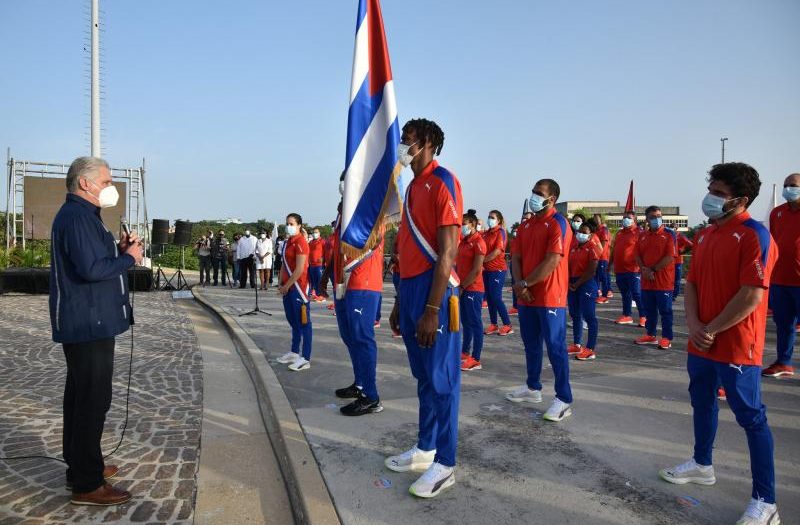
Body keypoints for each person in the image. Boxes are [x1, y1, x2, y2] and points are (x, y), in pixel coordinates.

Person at [659, 162, 780, 525]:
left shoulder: (755, 235)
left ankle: (766, 501)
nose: (710, 198)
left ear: (740, 200)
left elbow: (751, 295)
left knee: (751, 417)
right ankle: (701, 463)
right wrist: (695, 325)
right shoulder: (708, 234)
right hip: (701, 341)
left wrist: (711, 328)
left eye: (719, 193)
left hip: (736, 344)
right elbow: (692, 283)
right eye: (710, 189)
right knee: (702, 402)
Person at [49, 156, 143, 506]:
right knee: (92, 401)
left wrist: (118, 252)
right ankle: (87, 484)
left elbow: (93, 262)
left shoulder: (84, 216)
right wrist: (130, 257)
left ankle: (82, 466)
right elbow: (91, 269)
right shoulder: (76, 218)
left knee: (80, 399)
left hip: (90, 321)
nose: (110, 187)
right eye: (105, 181)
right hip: (89, 324)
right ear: (85, 184)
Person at [386, 118, 463, 498]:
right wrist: (402, 300)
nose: (403, 145)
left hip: (437, 292)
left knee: (443, 381)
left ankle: (445, 463)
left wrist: (432, 308)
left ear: (428, 143)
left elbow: (448, 251)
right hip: (412, 290)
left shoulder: (442, 180)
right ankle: (426, 448)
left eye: (408, 139)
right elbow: (407, 251)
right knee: (423, 377)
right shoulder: (412, 186)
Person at [508, 178, 574, 422]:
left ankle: (564, 398)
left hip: (550, 296)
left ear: (551, 199)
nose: (534, 196)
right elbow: (516, 257)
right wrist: (519, 284)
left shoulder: (559, 223)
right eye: (533, 192)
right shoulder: (526, 226)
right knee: (531, 344)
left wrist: (526, 283)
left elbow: (553, 259)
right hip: (526, 296)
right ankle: (533, 388)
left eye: (539, 193)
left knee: (555, 347)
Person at [324, 201, 385, 416]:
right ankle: (360, 384)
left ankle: (371, 397)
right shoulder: (343, 215)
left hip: (363, 283)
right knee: (349, 336)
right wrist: (324, 278)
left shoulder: (372, 211)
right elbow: (336, 250)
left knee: (362, 338)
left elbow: (373, 238)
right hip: (343, 283)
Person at [763, 172, 800, 378]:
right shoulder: (777, 212)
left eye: (793, 185)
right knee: (784, 325)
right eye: (786, 185)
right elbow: (774, 243)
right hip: (780, 279)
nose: (788, 189)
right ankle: (784, 362)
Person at [634, 206, 676, 349]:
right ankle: (650, 334)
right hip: (647, 281)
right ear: (646, 219)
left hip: (663, 281)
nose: (656, 219)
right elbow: (637, 255)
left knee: (665, 311)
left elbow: (670, 257)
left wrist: (652, 269)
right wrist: (644, 270)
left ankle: (666, 337)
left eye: (658, 215)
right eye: (653, 217)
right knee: (649, 310)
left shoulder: (669, 235)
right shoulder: (642, 236)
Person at [275, 214, 313, 371]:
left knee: (304, 323)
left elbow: (299, 269)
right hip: (287, 287)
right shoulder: (287, 242)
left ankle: (305, 358)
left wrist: (287, 285)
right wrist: (280, 282)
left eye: (291, 223)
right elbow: (284, 264)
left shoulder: (301, 242)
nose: (288, 226)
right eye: (287, 223)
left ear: (299, 226)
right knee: (293, 320)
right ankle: (294, 352)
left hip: (299, 288)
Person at [458, 210, 487, 371]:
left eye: (464, 224)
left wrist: (463, 287)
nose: (462, 227)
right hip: (462, 288)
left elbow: (476, 270)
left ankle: (476, 358)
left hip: (473, 289)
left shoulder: (479, 242)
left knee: (475, 323)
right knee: (466, 323)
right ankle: (465, 352)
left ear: (473, 224)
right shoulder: (463, 241)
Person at [568, 220, 600, 361]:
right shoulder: (574, 247)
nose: (580, 234)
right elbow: (568, 266)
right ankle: (577, 344)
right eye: (579, 231)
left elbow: (591, 270)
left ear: (591, 235)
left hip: (586, 284)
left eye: (584, 232)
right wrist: (570, 281)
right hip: (573, 284)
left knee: (589, 316)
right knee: (575, 315)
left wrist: (578, 283)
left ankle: (590, 348)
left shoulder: (592, 248)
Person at [611, 211, 646, 326]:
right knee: (625, 293)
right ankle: (627, 315)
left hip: (633, 269)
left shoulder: (639, 233)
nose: (626, 219)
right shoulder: (619, 233)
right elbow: (614, 249)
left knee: (636, 293)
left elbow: (644, 251)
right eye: (624, 217)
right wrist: (609, 263)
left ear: (634, 220)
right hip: (620, 269)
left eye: (629, 218)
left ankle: (643, 316)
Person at [482, 210, 514, 336]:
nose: (490, 219)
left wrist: (482, 260)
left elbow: (497, 251)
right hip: (487, 270)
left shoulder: (501, 232)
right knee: (489, 298)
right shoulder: (486, 233)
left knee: (496, 297)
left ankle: (507, 324)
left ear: (499, 220)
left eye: (492, 217)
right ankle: (494, 324)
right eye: (489, 217)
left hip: (497, 269)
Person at [593, 214, 613, 303]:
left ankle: (605, 296)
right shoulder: (596, 230)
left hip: (602, 257)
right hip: (596, 257)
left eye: (597, 218)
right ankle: (597, 295)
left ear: (600, 219)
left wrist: (599, 252)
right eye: (594, 219)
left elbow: (604, 242)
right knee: (596, 276)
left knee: (604, 277)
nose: (596, 220)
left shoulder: (604, 229)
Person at [672, 224, 693, 300]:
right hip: (669, 262)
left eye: (673, 227)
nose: (672, 228)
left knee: (677, 279)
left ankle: (674, 295)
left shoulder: (680, 236)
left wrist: (682, 252)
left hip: (677, 261)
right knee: (669, 279)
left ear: (676, 228)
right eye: (671, 227)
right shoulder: (668, 236)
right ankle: (669, 293)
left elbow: (690, 245)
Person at [308, 227, 326, 302]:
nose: (314, 234)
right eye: (313, 232)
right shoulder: (311, 242)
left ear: (319, 233)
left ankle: (322, 296)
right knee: (314, 281)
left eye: (316, 232)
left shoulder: (322, 242)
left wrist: (323, 258)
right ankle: (317, 295)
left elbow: (326, 252)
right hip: (312, 265)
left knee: (320, 280)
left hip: (319, 265)